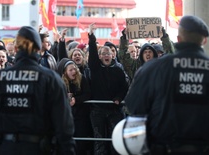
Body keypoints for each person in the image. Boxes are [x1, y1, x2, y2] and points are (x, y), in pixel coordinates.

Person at [124, 15, 209, 155]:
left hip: (164, 148)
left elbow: (134, 107)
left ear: (179, 39)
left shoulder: (153, 69)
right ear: (204, 40)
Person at [0, 26, 76, 155]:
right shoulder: (51, 79)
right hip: (38, 148)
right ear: (38, 49)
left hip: (5, 148)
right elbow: (64, 127)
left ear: (16, 49)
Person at [88, 23, 128, 155]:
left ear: (112, 56)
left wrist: (118, 98)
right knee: (99, 139)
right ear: (100, 57)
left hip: (114, 110)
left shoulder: (118, 70)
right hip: (97, 110)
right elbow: (92, 53)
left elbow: (124, 87)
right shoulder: (95, 68)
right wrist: (92, 37)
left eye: (109, 53)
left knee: (115, 138)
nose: (106, 55)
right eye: (103, 53)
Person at [58, 58, 93, 155]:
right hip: (67, 116)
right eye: (70, 70)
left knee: (81, 142)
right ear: (65, 72)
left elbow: (88, 94)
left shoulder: (82, 78)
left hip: (81, 115)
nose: (74, 71)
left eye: (74, 69)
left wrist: (76, 100)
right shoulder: (60, 82)